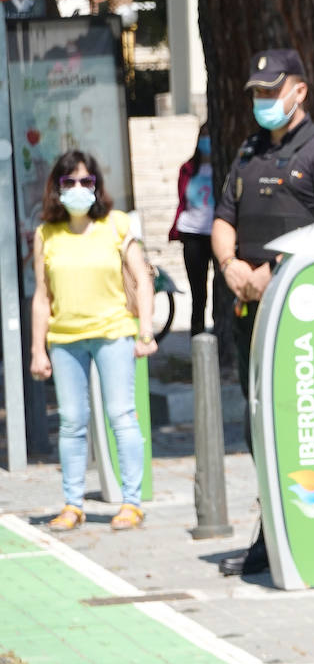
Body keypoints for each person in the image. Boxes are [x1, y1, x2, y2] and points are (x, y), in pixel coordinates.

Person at [212, 48, 314, 577]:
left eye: (271, 91)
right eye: (256, 92)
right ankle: (274, 524)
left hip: (305, 308)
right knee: (263, 414)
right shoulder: (250, 151)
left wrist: (276, 269)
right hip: (250, 306)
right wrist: (230, 263)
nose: (263, 101)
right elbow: (223, 217)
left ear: (299, 90)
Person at [32, 151, 157, 532]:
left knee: (121, 416)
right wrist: (38, 349)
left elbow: (143, 278)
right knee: (71, 422)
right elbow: (42, 295)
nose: (78, 189)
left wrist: (146, 330)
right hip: (65, 338)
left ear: (97, 186)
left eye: (86, 182)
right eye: (68, 182)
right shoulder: (46, 234)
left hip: (113, 333)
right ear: (56, 188)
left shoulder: (116, 225)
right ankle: (73, 504)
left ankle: (131, 503)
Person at [168, 123, 217, 335]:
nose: (206, 141)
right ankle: (197, 336)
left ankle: (218, 330)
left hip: (217, 234)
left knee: (221, 288)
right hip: (192, 233)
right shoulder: (188, 169)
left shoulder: (223, 166)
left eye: (210, 136)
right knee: (198, 292)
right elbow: (182, 199)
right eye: (203, 135)